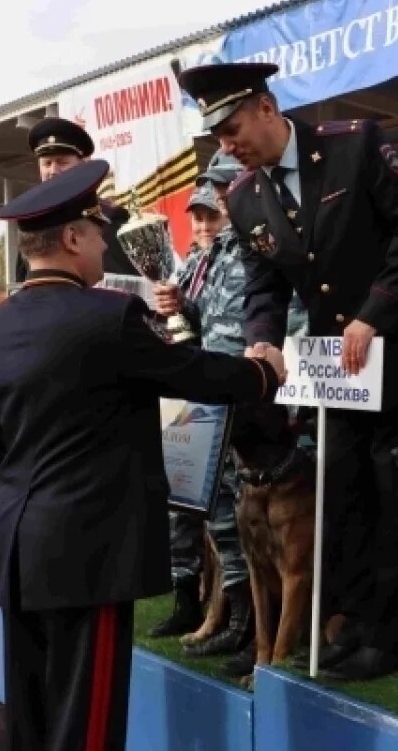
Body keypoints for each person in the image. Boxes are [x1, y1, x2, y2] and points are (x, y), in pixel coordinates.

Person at [0, 160, 286, 751]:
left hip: (19, 544)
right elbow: (193, 372)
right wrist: (262, 373)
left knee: (32, 707)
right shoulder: (107, 317)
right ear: (70, 239)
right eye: (95, 235)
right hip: (91, 547)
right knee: (87, 715)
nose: (102, 247)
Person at [177, 60, 398, 682]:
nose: (228, 144)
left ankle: (389, 640)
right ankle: (346, 625)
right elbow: (262, 283)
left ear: (268, 108)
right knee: (343, 493)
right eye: (218, 135)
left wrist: (374, 313)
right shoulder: (244, 195)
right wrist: (263, 342)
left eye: (234, 126)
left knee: (396, 493)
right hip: (334, 366)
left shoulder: (355, 145)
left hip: (397, 350)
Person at [152, 180, 258, 662]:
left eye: (212, 213)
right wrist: (174, 308)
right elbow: (196, 321)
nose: (204, 224)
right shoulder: (196, 264)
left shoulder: (256, 246)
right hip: (203, 395)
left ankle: (248, 620)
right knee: (208, 506)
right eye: (198, 216)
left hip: (249, 395)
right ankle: (226, 613)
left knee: (244, 511)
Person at [23, 116, 140, 280]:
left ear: (82, 166)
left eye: (62, 162)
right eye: (47, 163)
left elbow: (126, 285)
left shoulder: (110, 219)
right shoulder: (31, 222)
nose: (53, 171)